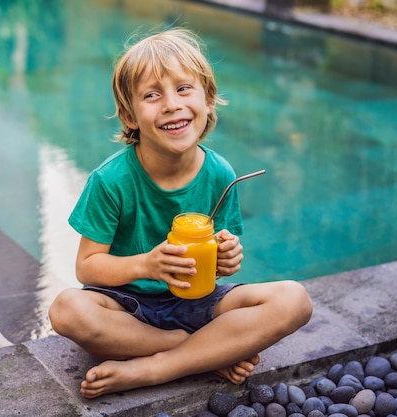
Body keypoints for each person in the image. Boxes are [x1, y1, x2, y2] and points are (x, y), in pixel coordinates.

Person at [48, 27, 313, 399]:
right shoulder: (110, 180)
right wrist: (147, 266)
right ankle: (200, 350)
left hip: (197, 300)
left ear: (208, 101)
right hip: (128, 309)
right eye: (152, 95)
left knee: (294, 300)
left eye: (183, 89)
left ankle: (155, 367)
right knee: (67, 310)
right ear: (129, 116)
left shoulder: (220, 174)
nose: (171, 104)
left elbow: (216, 259)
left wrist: (227, 256)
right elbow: (88, 267)